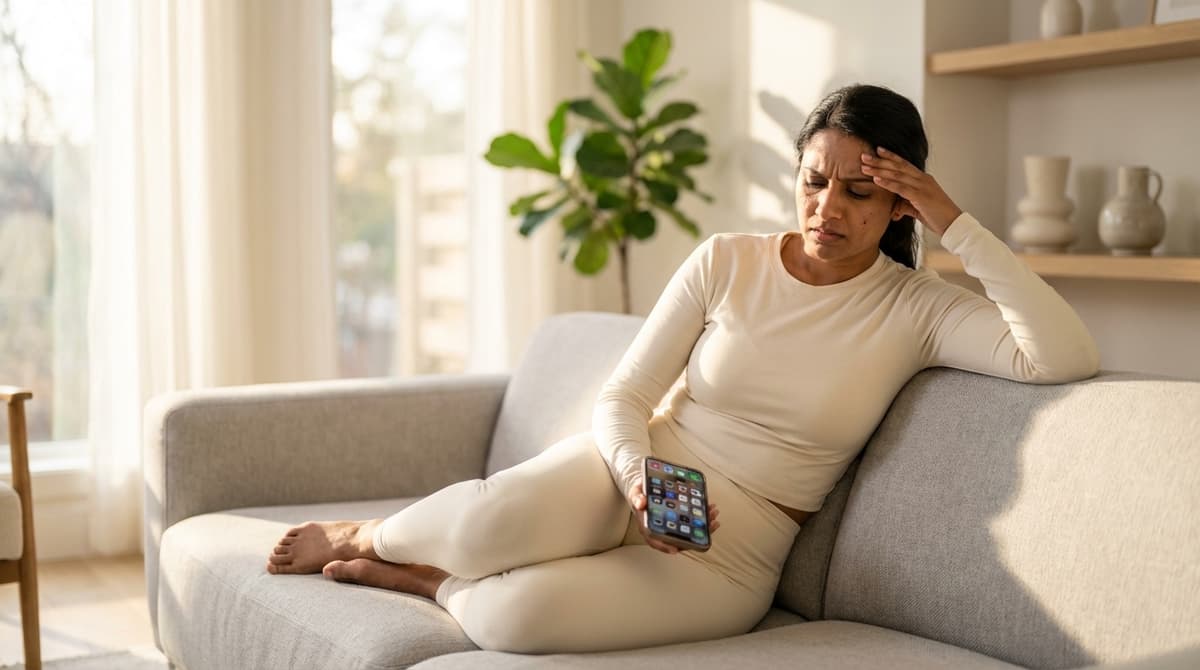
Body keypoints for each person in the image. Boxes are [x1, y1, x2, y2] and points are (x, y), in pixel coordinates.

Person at [265, 84, 1099, 653]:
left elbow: (1060, 354)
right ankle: (366, 534)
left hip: (729, 556)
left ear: (899, 204)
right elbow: (625, 394)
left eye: (859, 193)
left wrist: (954, 221)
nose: (827, 209)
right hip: (630, 473)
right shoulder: (728, 260)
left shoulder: (918, 309)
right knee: (486, 525)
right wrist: (637, 477)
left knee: (518, 620)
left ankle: (426, 582)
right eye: (815, 181)